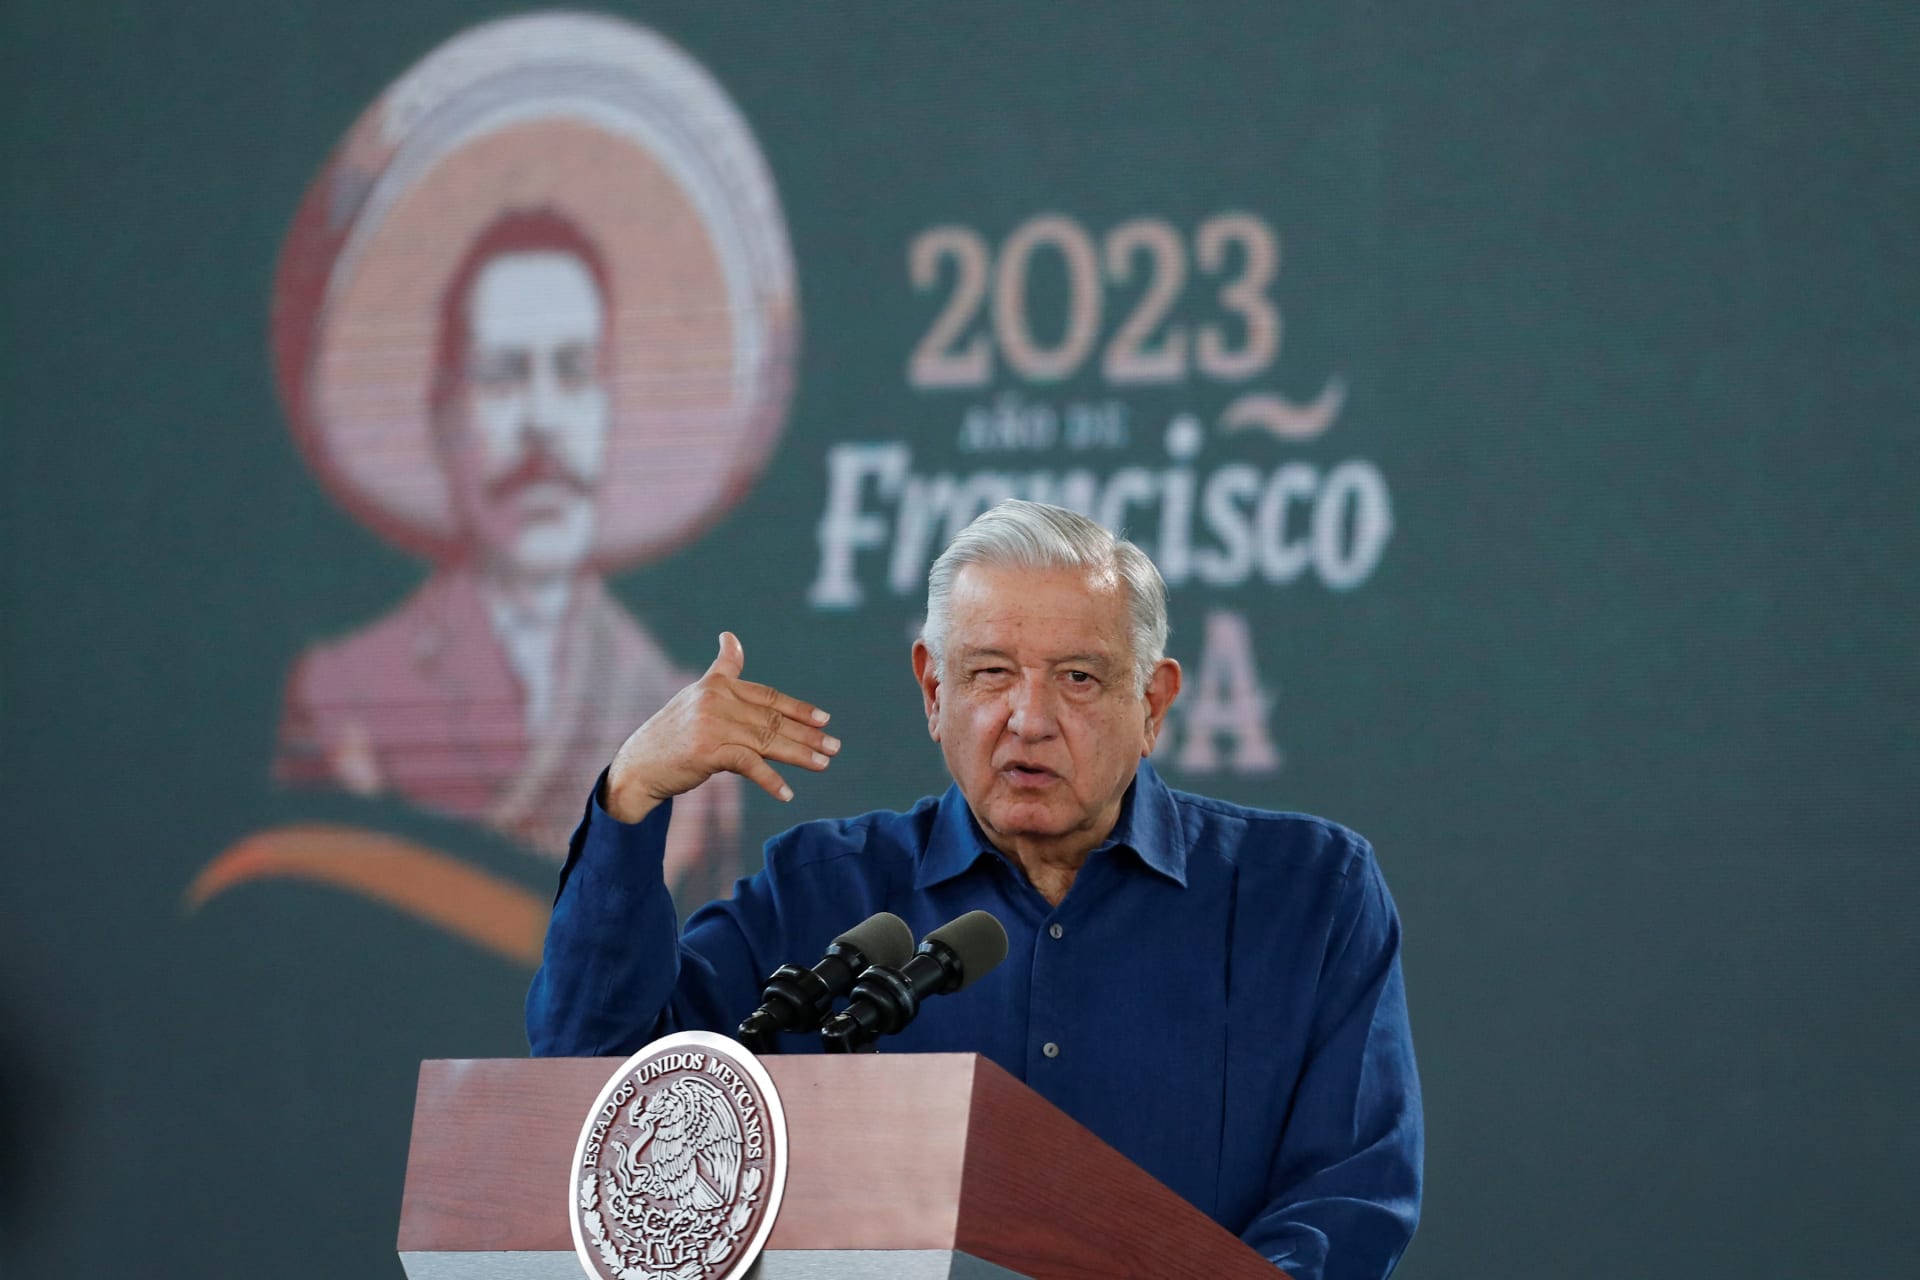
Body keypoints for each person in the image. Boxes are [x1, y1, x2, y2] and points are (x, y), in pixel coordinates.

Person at [526, 500, 1421, 1280]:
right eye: (991, 672)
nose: (1028, 720)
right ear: (932, 689)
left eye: (1078, 678)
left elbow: (1349, 1194)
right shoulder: (819, 900)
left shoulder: (1307, 896)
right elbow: (591, 1090)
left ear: (1152, 704)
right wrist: (630, 795)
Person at [275, 207, 738, 888]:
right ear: (442, 414)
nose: (543, 422)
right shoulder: (346, 704)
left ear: (611, 410)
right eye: (501, 375)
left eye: (575, 373)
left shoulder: (684, 720)